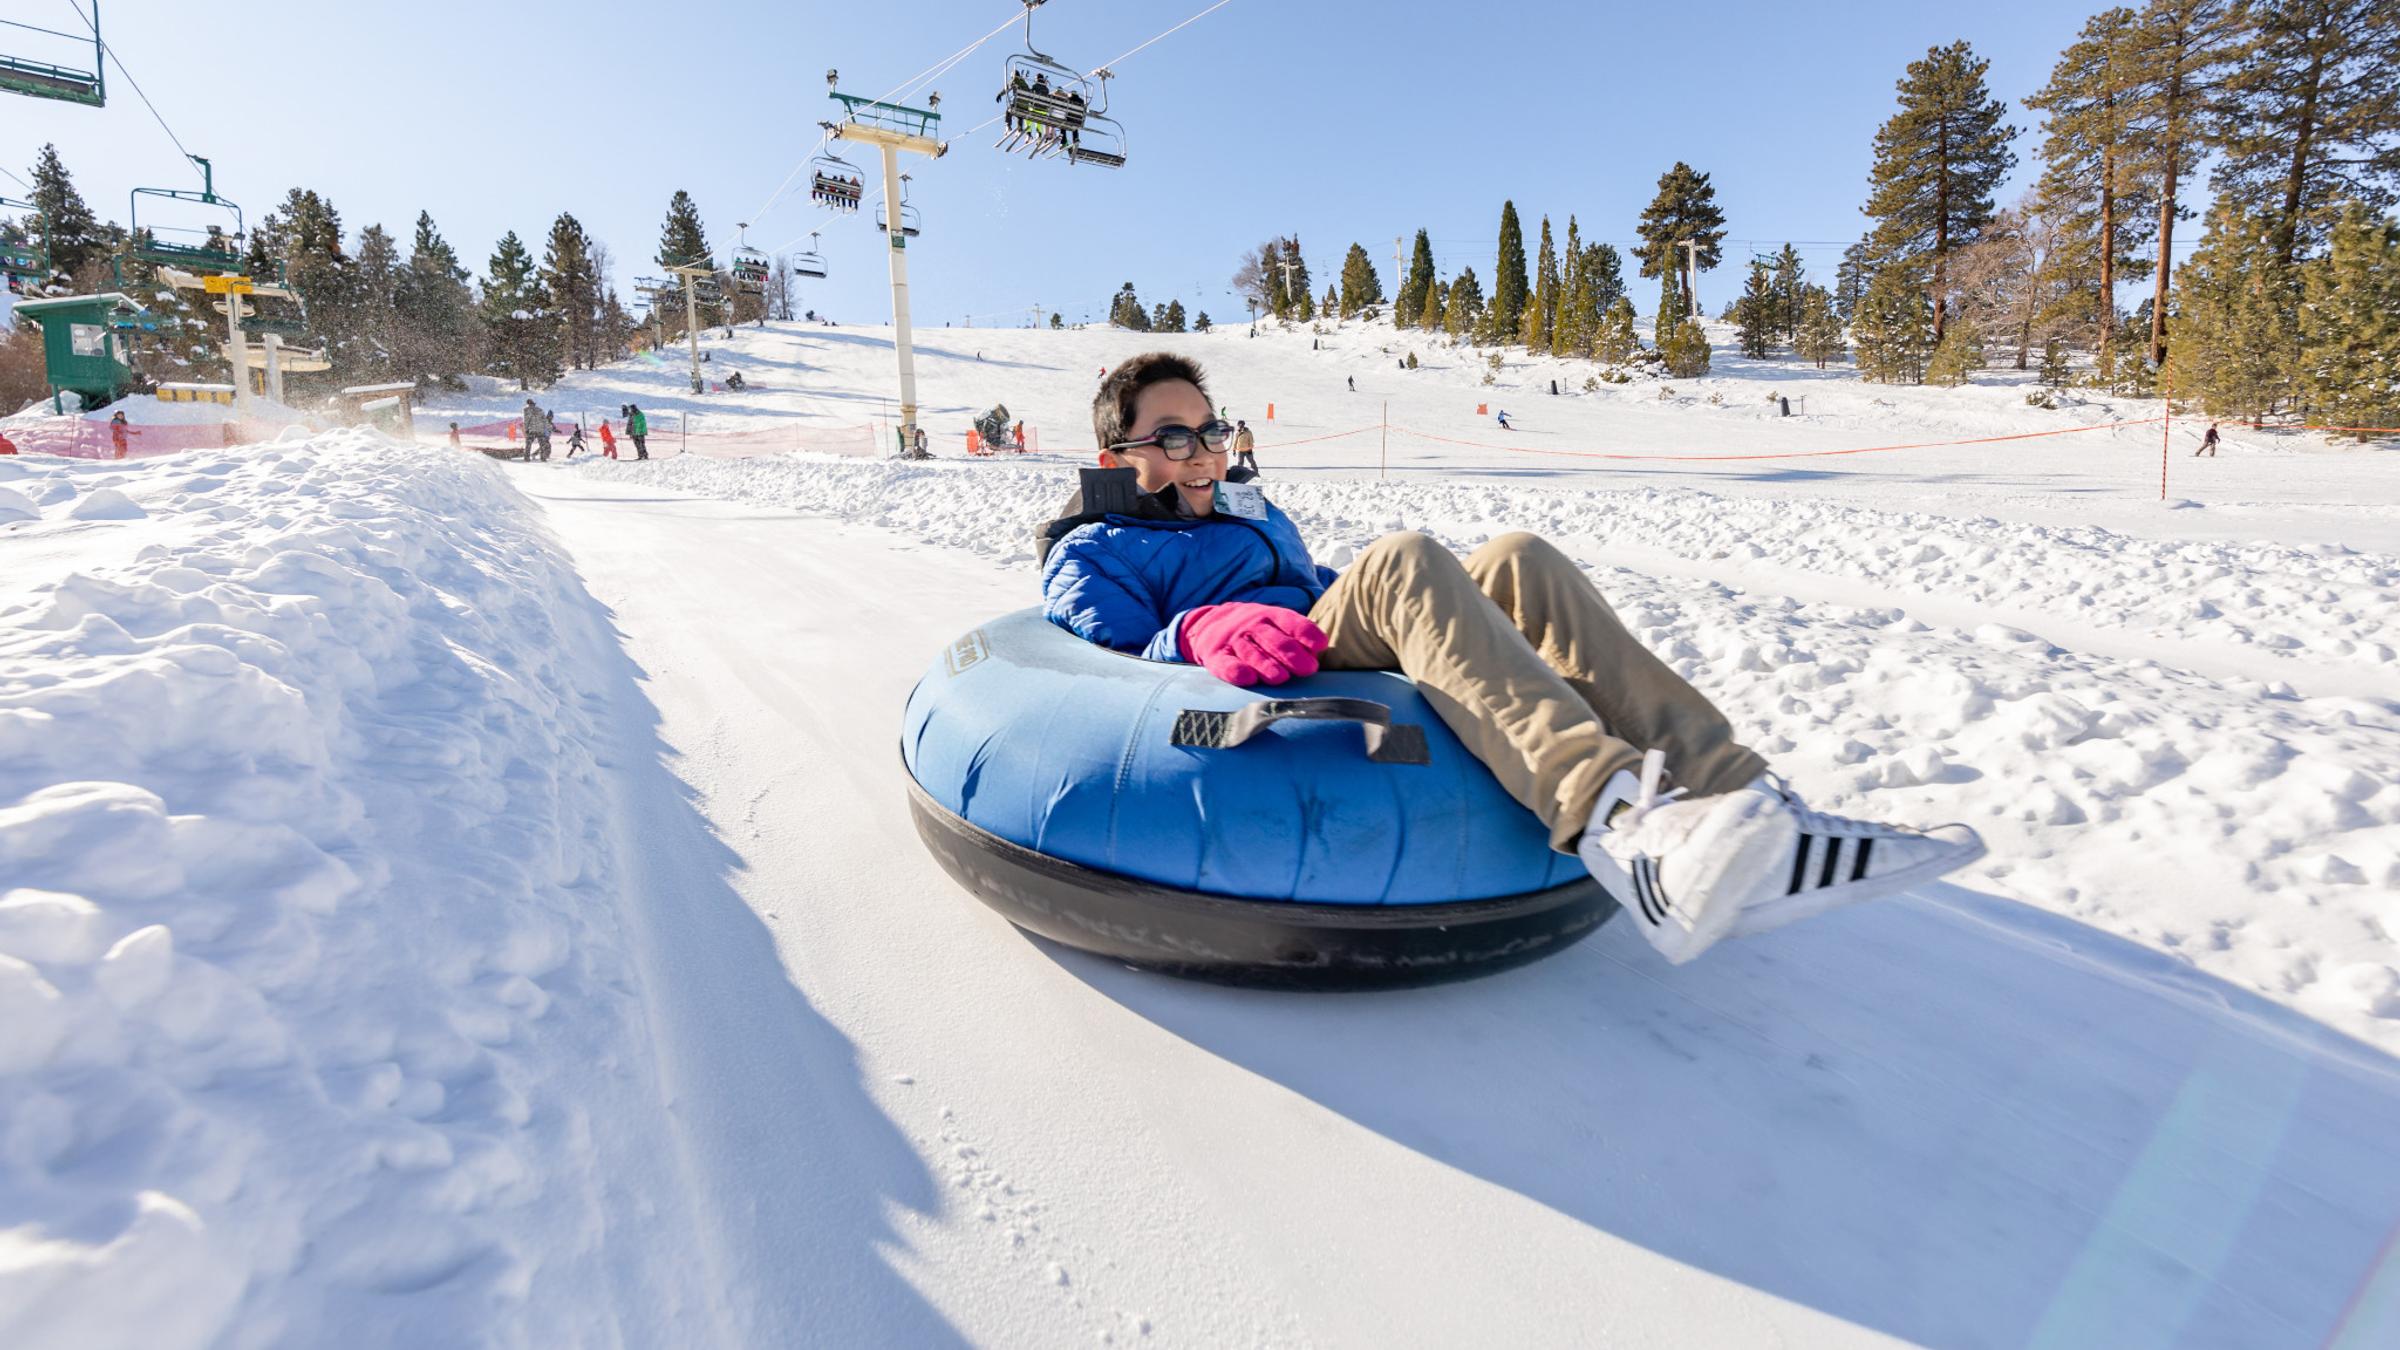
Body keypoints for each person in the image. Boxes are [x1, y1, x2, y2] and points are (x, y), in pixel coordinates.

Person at [1036, 353, 1984, 966]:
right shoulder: (1095, 543)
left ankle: (1741, 798)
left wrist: (1403, 602)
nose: (1201, 451)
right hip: (1250, 669)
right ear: (1119, 451)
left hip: (1311, 636)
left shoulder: (1251, 511)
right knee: (1402, 559)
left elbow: (1317, 583)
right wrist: (1196, 630)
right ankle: (1618, 822)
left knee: (1518, 557)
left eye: (1209, 430)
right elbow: (1105, 652)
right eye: (1172, 436)